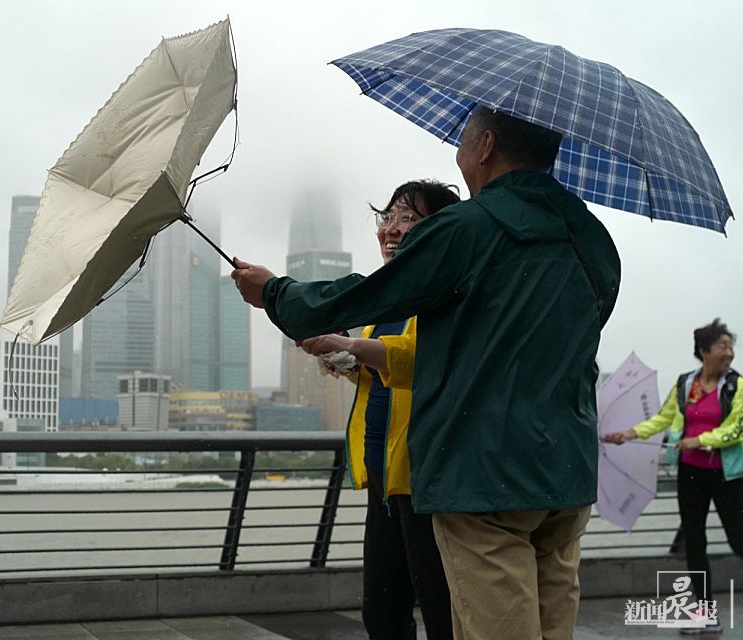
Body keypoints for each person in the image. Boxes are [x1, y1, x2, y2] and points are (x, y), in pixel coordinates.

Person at [232, 106, 621, 640]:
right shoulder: (593, 239)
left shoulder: (467, 229)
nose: (458, 153)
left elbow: (369, 293)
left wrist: (276, 292)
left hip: (484, 477)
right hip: (567, 473)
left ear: (485, 146)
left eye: (462, 140)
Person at [300, 179, 459, 640]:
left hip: (426, 477)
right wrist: (348, 360)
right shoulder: (387, 294)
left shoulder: (445, 292)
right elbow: (384, 371)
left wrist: (353, 345)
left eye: (407, 218)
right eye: (387, 218)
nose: (391, 229)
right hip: (384, 478)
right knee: (383, 613)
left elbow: (420, 358)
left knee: (442, 609)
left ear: (441, 230)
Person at [604, 319, 743, 634]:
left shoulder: (735, 385)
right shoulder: (687, 385)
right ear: (703, 351)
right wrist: (629, 433)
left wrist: (699, 440)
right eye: (723, 346)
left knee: (740, 541)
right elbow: (663, 419)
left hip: (727, 476)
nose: (729, 353)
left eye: (731, 346)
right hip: (691, 475)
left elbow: (739, 428)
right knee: (695, 543)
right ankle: (704, 613)